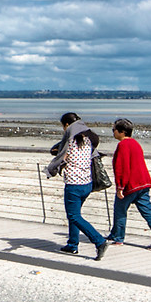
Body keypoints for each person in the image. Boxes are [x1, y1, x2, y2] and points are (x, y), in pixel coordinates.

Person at [48, 111, 107, 260]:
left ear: (67, 125)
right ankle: (72, 244)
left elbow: (61, 155)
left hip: (74, 184)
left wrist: (52, 168)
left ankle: (99, 241)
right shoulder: (88, 140)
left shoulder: (70, 141)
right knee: (75, 215)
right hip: (87, 183)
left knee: (73, 215)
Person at [107, 119, 151, 251]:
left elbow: (122, 168)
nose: (113, 132)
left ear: (122, 132)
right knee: (147, 211)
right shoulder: (135, 143)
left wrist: (120, 187)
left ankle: (118, 238)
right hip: (143, 182)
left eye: (114, 130)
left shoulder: (123, 145)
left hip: (131, 185)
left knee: (120, 210)